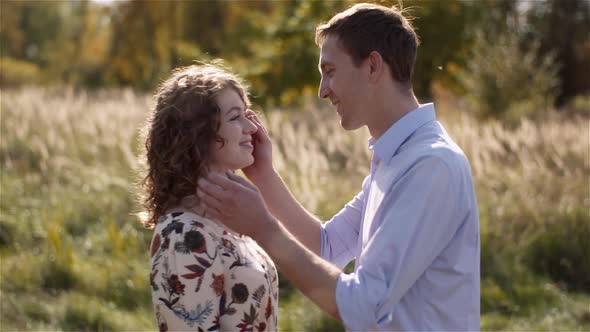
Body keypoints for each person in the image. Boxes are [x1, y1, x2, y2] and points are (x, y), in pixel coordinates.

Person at [197, 3, 480, 331]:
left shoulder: (430, 166)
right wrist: (264, 176)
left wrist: (264, 227)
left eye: (329, 71)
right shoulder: (396, 159)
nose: (322, 91)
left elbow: (364, 305)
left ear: (373, 66)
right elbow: (327, 247)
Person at [138, 64, 279, 331]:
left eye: (248, 114)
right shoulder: (182, 234)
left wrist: (265, 174)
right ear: (199, 133)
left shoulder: (231, 219)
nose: (252, 127)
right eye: (236, 117)